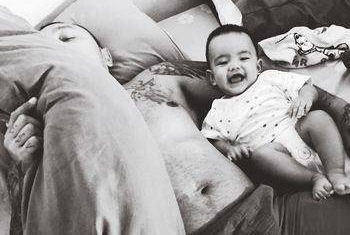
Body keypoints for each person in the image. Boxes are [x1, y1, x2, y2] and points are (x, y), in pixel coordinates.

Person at [4, 21, 350, 234]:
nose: (58, 55)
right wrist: (22, 164)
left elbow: (253, 81)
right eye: (48, 48)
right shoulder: (47, 130)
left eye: (65, 39)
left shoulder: (158, 78)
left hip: (267, 211)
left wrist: (343, 116)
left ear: (105, 54)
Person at [202, 24, 350, 200]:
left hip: (299, 130)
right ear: (211, 77)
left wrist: (305, 98)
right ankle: (314, 178)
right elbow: (212, 139)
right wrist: (229, 149)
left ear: (258, 66)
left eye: (243, 58)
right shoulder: (217, 110)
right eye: (223, 62)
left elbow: (308, 88)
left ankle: (336, 171)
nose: (234, 66)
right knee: (261, 156)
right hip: (273, 155)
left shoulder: (269, 78)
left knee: (317, 118)